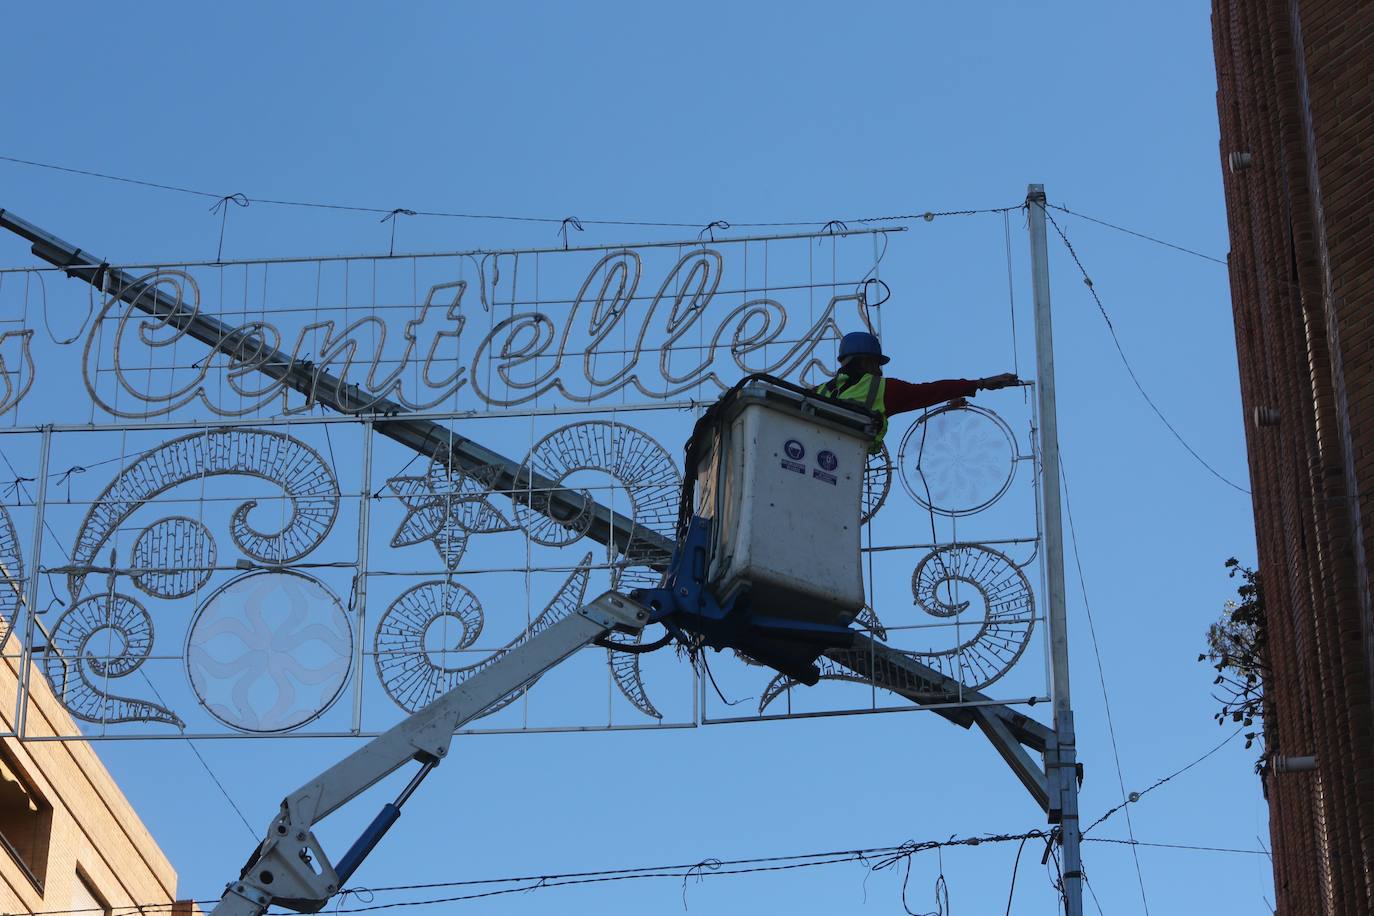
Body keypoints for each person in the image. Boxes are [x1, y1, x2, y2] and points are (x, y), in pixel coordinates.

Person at [816, 331, 1019, 451]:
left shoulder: (819, 392)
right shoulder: (880, 389)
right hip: (847, 462)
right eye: (877, 365)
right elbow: (930, 391)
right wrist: (980, 383)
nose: (879, 371)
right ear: (867, 361)